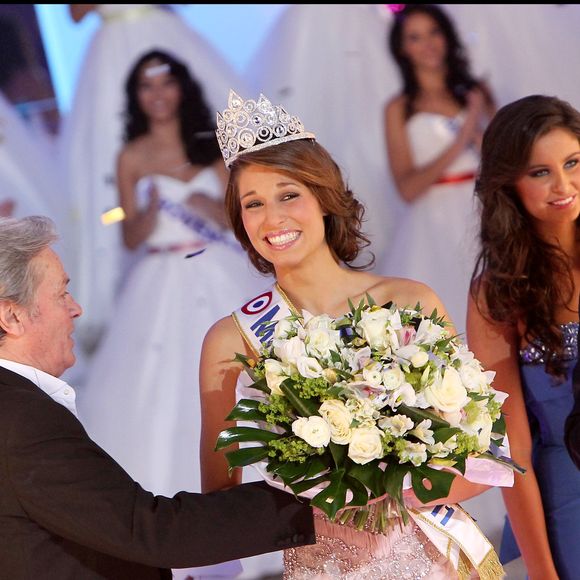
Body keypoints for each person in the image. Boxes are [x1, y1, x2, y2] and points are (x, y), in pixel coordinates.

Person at [199, 89, 501, 579]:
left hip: (432, 553)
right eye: (253, 204)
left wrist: (391, 493)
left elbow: (484, 451)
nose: (272, 218)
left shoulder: (409, 300)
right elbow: (221, 497)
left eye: (289, 194)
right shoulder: (230, 341)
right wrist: (321, 503)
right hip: (327, 563)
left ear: (324, 198)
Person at [0, 215, 315, 579]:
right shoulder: (23, 421)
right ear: (13, 317)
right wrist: (315, 500)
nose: (75, 308)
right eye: (61, 294)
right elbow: (152, 532)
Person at [61, 5, 246, 352]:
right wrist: (150, 215)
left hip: (221, 264)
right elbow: (128, 238)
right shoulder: (130, 156)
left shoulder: (208, 143)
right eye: (146, 87)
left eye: (166, 84)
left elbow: (240, 219)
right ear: (135, 96)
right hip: (162, 274)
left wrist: (211, 208)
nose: (158, 95)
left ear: (182, 89)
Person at [467, 94, 580, 580]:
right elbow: (510, 454)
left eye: (573, 162)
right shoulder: (495, 295)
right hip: (564, 501)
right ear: (508, 183)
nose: (564, 185)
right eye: (540, 172)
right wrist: (542, 573)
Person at [379, 4, 496, 338]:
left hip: (486, 207)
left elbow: (504, 159)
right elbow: (407, 188)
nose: (428, 44)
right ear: (402, 48)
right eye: (415, 37)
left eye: (433, 32)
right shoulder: (399, 108)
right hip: (435, 222)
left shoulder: (476, 92)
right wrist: (463, 135)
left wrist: (480, 134)